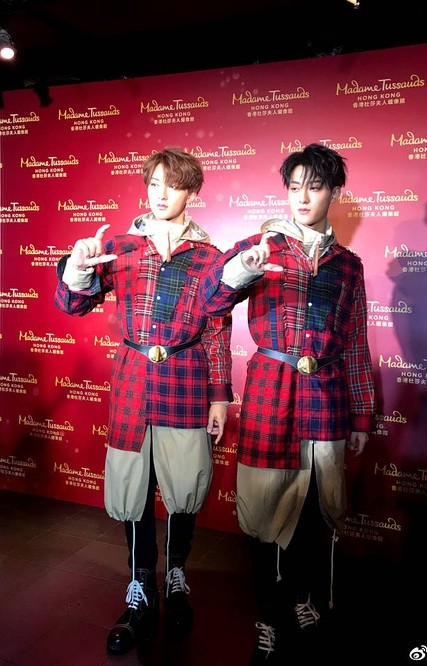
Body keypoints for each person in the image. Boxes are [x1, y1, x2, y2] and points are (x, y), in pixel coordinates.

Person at [54, 147, 233, 656]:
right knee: (133, 490)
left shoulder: (210, 257)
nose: (160, 194)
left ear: (191, 192)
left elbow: (217, 331)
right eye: (154, 183)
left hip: (186, 380)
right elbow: (71, 305)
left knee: (183, 489)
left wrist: (220, 397)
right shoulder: (119, 245)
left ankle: (176, 576)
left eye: (172, 185)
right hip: (133, 380)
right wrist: (78, 269)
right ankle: (139, 586)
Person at [201, 143, 375, 664]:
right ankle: (268, 616)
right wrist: (242, 269)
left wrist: (362, 413)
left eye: (314, 187)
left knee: (312, 515)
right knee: (263, 513)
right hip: (270, 392)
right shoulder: (262, 247)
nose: (302, 197)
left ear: (333, 192)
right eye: (295, 186)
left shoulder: (348, 266)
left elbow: (356, 343)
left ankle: (301, 599)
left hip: (327, 398)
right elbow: (209, 302)